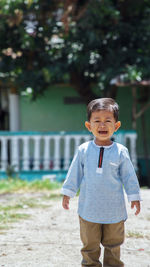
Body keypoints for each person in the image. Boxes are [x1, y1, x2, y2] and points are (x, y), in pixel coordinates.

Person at [61, 98, 141, 267]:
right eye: (97, 121)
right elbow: (75, 173)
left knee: (113, 246)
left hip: (114, 211)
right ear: (89, 126)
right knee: (90, 246)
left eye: (107, 121)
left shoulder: (120, 152)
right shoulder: (84, 150)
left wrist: (134, 196)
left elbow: (129, 176)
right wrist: (68, 193)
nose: (102, 125)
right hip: (88, 209)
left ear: (116, 126)